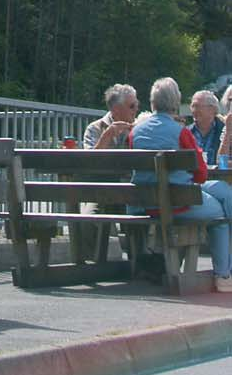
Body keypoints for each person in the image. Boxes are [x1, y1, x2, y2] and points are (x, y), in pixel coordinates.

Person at [130, 76, 232, 292]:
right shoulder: (182, 132)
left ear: (152, 103)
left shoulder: (135, 132)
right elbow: (201, 175)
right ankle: (223, 276)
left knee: (223, 190)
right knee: (221, 215)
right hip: (178, 203)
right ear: (176, 103)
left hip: (147, 201)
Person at [83, 84, 139, 149]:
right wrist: (107, 136)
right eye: (132, 106)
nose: (136, 109)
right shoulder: (95, 129)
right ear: (116, 109)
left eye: (137, 104)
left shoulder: (139, 128)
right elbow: (89, 158)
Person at [189, 90, 224, 165]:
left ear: (212, 109)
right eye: (192, 106)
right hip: (193, 176)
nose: (194, 110)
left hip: (218, 176)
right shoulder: (187, 132)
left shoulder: (225, 132)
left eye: (197, 106)